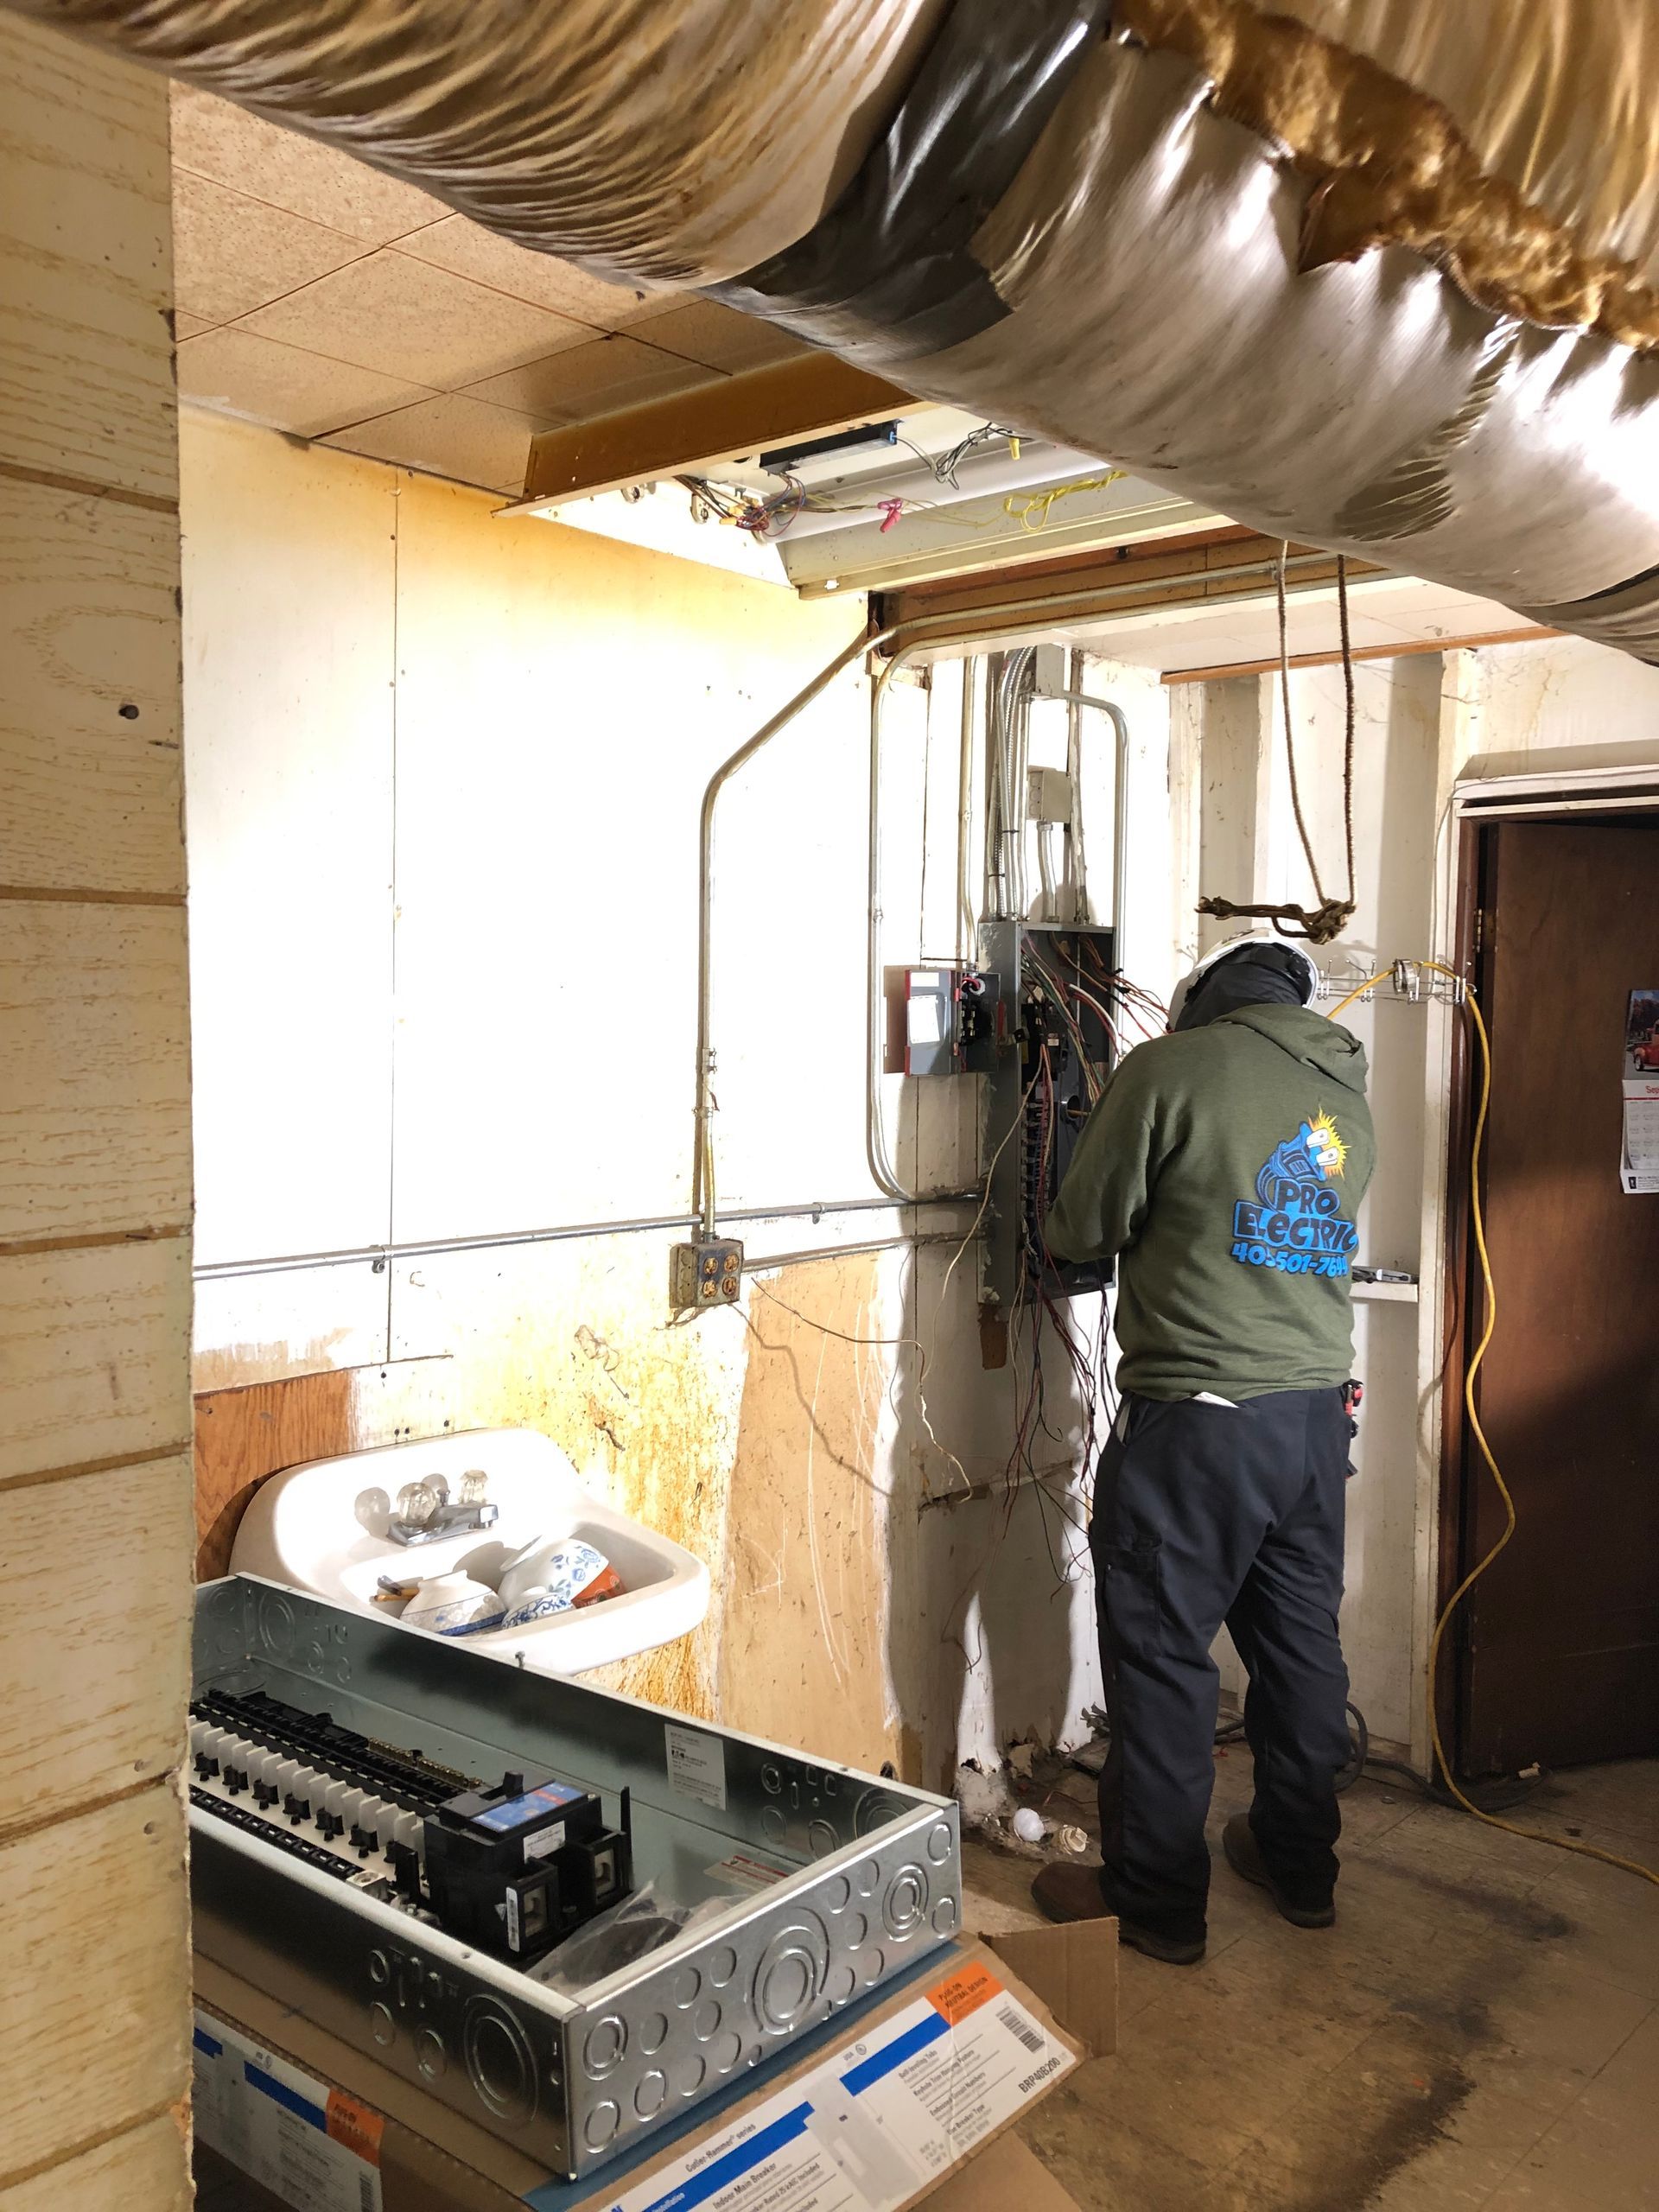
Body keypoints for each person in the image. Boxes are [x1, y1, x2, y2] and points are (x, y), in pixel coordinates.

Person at [1030, 934, 1375, 1965]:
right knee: (1301, 1647)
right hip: (1315, 1423)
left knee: (1168, 1660)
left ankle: (1158, 1901)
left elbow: (1082, 1225)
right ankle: (1299, 1863)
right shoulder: (1348, 1097)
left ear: (1201, 1002)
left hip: (1198, 1421)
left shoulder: (1171, 1068)